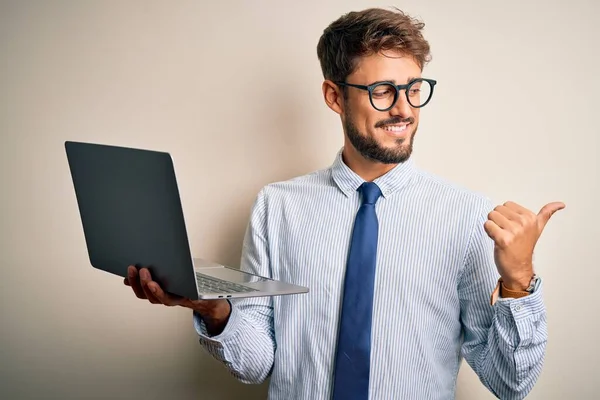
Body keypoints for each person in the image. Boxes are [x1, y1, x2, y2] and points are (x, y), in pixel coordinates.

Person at [124, 7, 564, 400]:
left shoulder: (469, 217)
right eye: (382, 91)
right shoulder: (277, 208)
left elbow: (511, 384)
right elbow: (256, 364)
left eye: (414, 89)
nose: (404, 109)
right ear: (335, 97)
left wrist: (518, 280)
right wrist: (214, 309)